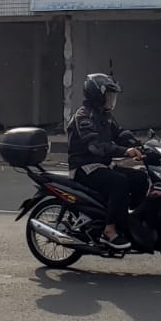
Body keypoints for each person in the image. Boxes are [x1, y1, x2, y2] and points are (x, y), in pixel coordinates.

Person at [66, 73, 147, 250]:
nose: (111, 100)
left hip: (102, 165)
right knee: (120, 183)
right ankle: (109, 231)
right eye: (108, 95)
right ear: (97, 95)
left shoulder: (105, 115)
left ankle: (129, 221)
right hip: (84, 166)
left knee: (141, 178)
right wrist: (125, 151)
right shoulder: (84, 117)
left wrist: (139, 144)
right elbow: (96, 147)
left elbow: (120, 133)